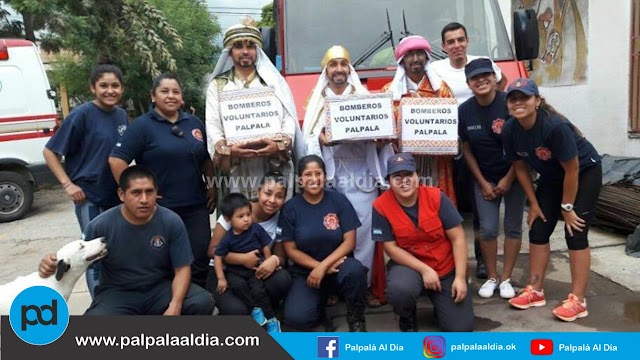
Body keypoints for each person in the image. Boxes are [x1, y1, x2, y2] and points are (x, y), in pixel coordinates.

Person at [38, 166, 214, 315]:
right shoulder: (101, 225)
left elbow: (182, 269)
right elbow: (76, 259)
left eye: (149, 192)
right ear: (122, 194)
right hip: (118, 292)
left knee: (202, 301)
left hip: (160, 288)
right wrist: (50, 263)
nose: (144, 199)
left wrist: (175, 305)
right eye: (136, 193)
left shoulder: (171, 221)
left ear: (156, 193)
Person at [502, 78, 602, 322]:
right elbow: (520, 168)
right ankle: (535, 290)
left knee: (575, 232)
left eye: (524, 97)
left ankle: (578, 300)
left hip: (583, 172)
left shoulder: (554, 127)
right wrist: (533, 203)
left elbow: (572, 170)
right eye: (513, 99)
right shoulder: (509, 129)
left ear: (537, 101)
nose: (518, 103)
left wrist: (567, 207)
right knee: (538, 228)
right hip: (551, 176)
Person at [302, 45, 393, 307]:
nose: (339, 69)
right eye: (333, 65)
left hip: (362, 178)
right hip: (329, 180)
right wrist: (319, 140)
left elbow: (379, 139)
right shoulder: (317, 102)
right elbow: (308, 138)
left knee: (364, 235)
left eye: (343, 64)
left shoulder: (364, 98)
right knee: (330, 234)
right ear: (326, 70)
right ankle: (334, 284)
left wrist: (381, 139)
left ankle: (359, 286)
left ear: (349, 69)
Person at [109, 72, 215, 288]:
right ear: (153, 96)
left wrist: (213, 186)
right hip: (162, 208)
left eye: (176, 91)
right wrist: (138, 194)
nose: (171, 96)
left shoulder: (193, 123)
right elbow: (116, 160)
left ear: (182, 97)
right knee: (166, 260)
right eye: (164, 91)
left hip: (196, 205)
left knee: (199, 256)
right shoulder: (142, 126)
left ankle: (199, 303)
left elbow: (207, 159)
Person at [429, 22, 508, 279]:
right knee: (447, 202)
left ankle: (484, 260)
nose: (456, 45)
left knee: (477, 205)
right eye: (450, 42)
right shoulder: (435, 69)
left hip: (477, 143)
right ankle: (446, 256)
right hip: (445, 147)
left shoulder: (483, 63)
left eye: (460, 40)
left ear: (467, 41)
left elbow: (503, 84)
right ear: (443, 47)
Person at [43, 64, 129, 297]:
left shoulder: (121, 116)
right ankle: (100, 304)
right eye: (103, 86)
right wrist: (68, 184)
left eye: (115, 86)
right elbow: (50, 152)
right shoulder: (81, 115)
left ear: (122, 88)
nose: (109, 91)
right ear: (93, 88)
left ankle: (118, 298)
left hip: (115, 195)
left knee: (114, 249)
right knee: (92, 253)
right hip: (90, 197)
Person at [205, 17, 303, 204]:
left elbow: (288, 117)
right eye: (238, 46)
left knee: (273, 217)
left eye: (250, 46)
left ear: (256, 50)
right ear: (230, 51)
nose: (245, 51)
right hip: (236, 168)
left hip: (270, 162)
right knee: (238, 219)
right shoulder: (218, 86)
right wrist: (228, 149)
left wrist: (279, 145)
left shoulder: (273, 82)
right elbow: (213, 124)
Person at [372, 153, 473, 332]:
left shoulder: (437, 197)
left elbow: (458, 238)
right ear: (389, 180)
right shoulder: (380, 206)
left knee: (460, 329)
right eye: (397, 177)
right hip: (409, 267)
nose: (404, 181)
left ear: (417, 176)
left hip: (445, 266)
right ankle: (407, 316)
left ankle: (442, 305)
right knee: (400, 290)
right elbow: (390, 248)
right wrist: (425, 269)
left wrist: (460, 277)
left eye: (408, 175)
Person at [458, 59, 525, 299]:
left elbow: (522, 146)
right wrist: (482, 182)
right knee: (487, 229)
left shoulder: (511, 103)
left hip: (516, 175)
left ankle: (506, 278)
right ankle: (492, 277)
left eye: (486, 75)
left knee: (513, 227)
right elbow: (467, 149)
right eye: (475, 77)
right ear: (468, 83)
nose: (481, 80)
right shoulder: (464, 111)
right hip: (484, 178)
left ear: (495, 77)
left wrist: (508, 179)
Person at [278, 155, 368, 332]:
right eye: (308, 174)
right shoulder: (290, 208)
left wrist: (324, 267)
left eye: (318, 173)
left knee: (355, 271)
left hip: (339, 266)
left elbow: (350, 242)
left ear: (325, 177)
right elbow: (290, 249)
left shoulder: (339, 200)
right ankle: (319, 308)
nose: (313, 179)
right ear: (300, 180)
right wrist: (317, 267)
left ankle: (357, 319)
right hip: (306, 273)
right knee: (296, 319)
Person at [381, 35, 457, 204]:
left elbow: (451, 127)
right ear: (402, 60)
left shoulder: (441, 90)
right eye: (409, 54)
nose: (415, 59)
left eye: (419, 53)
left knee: (436, 203)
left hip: (436, 162)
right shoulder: (389, 93)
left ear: (426, 57)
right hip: (403, 164)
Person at [206, 172, 292, 318]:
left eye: (279, 196)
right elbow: (212, 250)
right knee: (237, 311)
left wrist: (273, 260)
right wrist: (242, 259)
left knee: (282, 279)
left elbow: (280, 256)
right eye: (268, 193)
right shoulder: (237, 211)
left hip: (254, 273)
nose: (272, 200)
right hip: (224, 272)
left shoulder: (281, 218)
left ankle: (265, 311)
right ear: (259, 191)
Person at [213, 193, 281, 333]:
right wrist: (221, 279)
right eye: (240, 216)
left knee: (259, 291)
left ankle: (272, 319)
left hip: (253, 270)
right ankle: (254, 310)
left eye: (248, 215)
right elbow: (218, 257)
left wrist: (268, 261)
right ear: (228, 219)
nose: (246, 219)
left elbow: (265, 246)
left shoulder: (256, 229)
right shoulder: (227, 238)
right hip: (234, 271)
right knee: (238, 286)